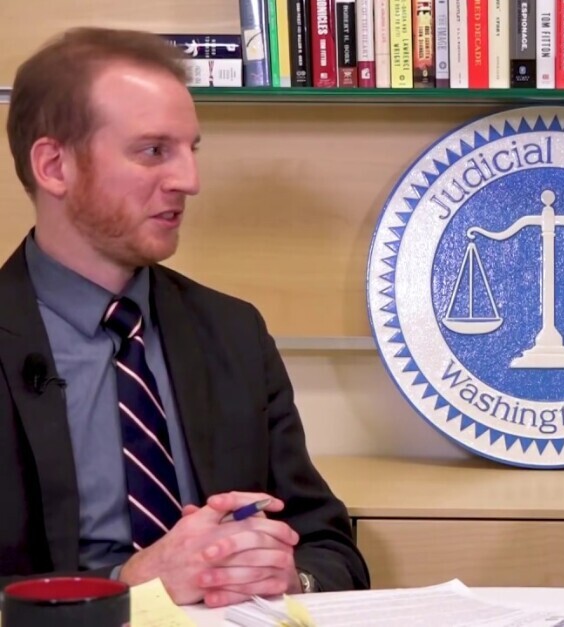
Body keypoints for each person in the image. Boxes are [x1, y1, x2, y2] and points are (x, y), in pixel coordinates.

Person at [0, 27, 369, 606]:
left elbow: (330, 547)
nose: (188, 181)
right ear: (54, 166)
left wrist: (290, 578)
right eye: (153, 151)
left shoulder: (234, 333)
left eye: (190, 149)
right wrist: (125, 589)